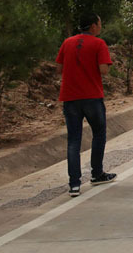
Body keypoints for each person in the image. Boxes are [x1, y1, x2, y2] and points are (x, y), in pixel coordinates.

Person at [55, 12, 116, 197]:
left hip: (70, 98)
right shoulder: (99, 44)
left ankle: (74, 184)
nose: (101, 26)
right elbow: (104, 70)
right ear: (93, 26)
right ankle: (97, 174)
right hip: (91, 97)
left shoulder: (67, 42)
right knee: (98, 133)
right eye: (99, 23)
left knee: (73, 140)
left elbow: (59, 69)